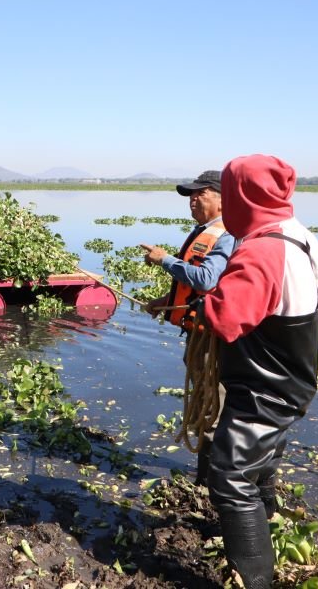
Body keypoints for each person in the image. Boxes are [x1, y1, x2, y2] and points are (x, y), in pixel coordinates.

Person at [195, 155, 318, 588]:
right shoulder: (299, 235)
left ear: (241, 196)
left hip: (264, 387)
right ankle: (266, 520)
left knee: (229, 476)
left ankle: (255, 579)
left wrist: (205, 304)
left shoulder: (261, 249)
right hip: (294, 376)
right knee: (262, 458)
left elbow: (226, 319)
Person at [140, 170, 235, 485]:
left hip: (213, 337)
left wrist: (165, 259)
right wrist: (164, 300)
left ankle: (210, 482)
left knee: (213, 406)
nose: (193, 200)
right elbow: (195, 287)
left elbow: (208, 280)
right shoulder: (204, 230)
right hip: (198, 333)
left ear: (222, 199)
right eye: (191, 195)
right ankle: (206, 475)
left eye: (200, 194)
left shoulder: (228, 233)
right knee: (204, 401)